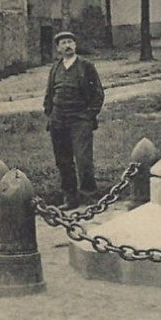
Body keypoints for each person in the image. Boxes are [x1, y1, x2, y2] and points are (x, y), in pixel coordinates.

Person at [44, 30, 105, 209]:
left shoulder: (86, 66)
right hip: (58, 120)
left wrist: (88, 115)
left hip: (80, 119)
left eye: (70, 41)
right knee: (63, 160)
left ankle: (89, 196)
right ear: (58, 48)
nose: (67, 45)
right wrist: (51, 115)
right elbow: (49, 95)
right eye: (63, 43)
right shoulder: (55, 68)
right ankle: (70, 198)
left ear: (75, 45)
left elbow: (98, 94)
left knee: (83, 159)